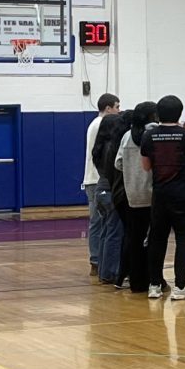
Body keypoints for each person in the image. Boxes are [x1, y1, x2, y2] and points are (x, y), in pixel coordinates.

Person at [141, 94, 185, 301]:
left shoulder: (148, 136)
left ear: (158, 113)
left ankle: (154, 285)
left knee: (157, 239)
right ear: (179, 113)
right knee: (184, 240)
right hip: (184, 195)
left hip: (160, 195)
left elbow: (146, 166)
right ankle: (181, 287)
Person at [115, 101, 157, 294]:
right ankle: (154, 280)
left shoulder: (126, 137)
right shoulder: (156, 134)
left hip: (132, 194)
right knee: (154, 239)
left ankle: (136, 282)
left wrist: (132, 174)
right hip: (153, 194)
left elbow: (118, 163)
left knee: (134, 238)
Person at [81, 92, 119, 275]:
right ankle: (96, 260)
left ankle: (100, 260)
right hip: (97, 179)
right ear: (108, 108)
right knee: (97, 222)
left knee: (101, 222)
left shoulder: (96, 124)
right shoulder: (101, 124)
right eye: (117, 107)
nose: (119, 110)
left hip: (97, 179)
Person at [93, 110, 129, 286]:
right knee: (114, 233)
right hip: (110, 191)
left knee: (106, 232)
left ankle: (103, 270)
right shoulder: (112, 147)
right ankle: (111, 272)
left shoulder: (100, 145)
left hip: (101, 190)